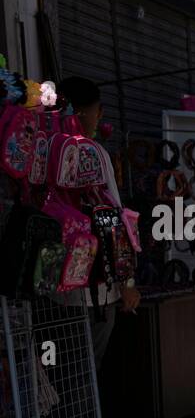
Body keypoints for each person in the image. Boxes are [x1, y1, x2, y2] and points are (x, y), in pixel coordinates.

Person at [54, 77, 139, 367]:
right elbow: (112, 218)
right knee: (85, 373)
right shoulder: (93, 153)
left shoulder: (42, 148)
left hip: (50, 288)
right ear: (95, 112)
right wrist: (127, 281)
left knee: (57, 370)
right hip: (94, 290)